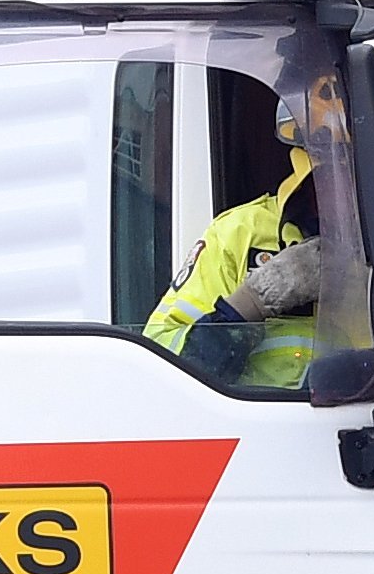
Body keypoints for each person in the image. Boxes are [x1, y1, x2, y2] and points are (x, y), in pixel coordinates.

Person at [143, 88, 334, 389]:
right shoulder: (238, 232)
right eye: (329, 174)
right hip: (266, 431)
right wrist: (250, 303)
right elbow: (162, 375)